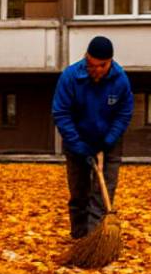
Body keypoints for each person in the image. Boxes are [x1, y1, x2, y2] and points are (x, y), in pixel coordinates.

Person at [52, 36, 133, 239]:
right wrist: (78, 145)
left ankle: (95, 237)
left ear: (110, 62)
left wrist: (109, 140)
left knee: (103, 191)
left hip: (109, 141)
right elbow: (61, 113)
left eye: (101, 66)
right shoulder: (71, 77)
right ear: (86, 57)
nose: (95, 69)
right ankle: (80, 237)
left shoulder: (120, 79)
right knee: (79, 191)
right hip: (77, 139)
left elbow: (124, 113)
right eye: (91, 64)